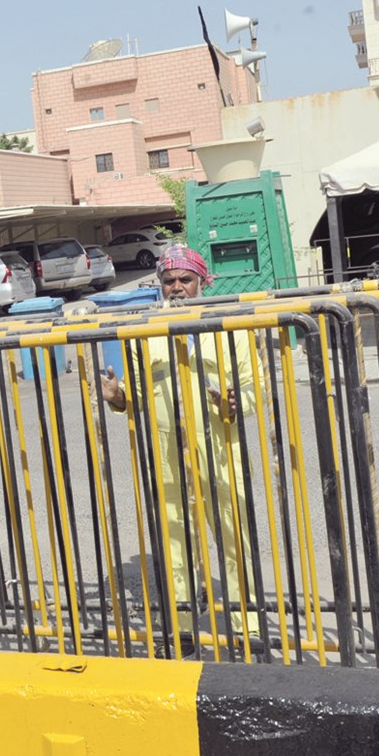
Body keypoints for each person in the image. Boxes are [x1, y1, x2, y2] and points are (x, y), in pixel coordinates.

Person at [97, 244, 258, 652]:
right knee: (175, 540)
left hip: (220, 449)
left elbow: (254, 386)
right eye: (169, 280)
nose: (177, 287)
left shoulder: (231, 327)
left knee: (234, 536)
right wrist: (118, 397)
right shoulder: (145, 331)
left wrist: (235, 402)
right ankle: (183, 629)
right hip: (167, 452)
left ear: (203, 282)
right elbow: (136, 393)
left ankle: (248, 628)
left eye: (186, 279)